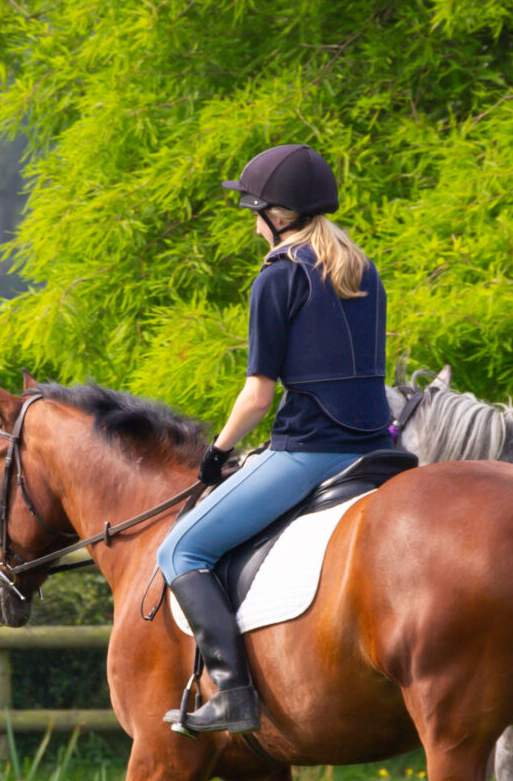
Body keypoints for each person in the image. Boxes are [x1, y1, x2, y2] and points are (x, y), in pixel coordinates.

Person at [153, 143, 391, 735]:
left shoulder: (278, 276)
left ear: (276, 214)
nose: (250, 221)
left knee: (179, 550)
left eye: (252, 210)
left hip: (311, 450)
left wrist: (216, 456)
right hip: (379, 446)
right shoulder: (361, 266)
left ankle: (232, 693)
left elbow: (259, 395)